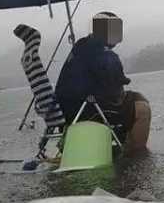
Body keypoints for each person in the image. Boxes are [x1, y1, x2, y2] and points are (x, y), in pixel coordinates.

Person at [55, 12, 151, 155]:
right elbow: (115, 88)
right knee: (141, 106)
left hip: (68, 115)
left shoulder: (79, 46)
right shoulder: (106, 55)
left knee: (131, 100)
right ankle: (135, 156)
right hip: (88, 112)